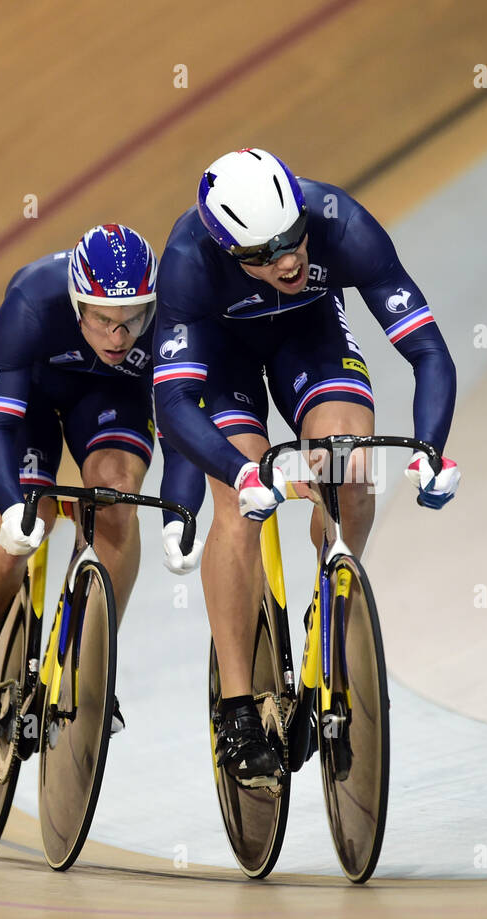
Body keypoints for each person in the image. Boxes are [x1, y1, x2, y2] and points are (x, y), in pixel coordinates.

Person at [152, 148, 460, 786]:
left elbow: (428, 351)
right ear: (227, 249)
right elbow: (173, 401)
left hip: (309, 339)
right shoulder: (185, 260)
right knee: (239, 496)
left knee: (349, 467)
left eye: (291, 240)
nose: (287, 260)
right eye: (262, 254)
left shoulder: (341, 222)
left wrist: (431, 448)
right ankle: (237, 708)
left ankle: (332, 616)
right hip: (224, 356)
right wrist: (241, 475)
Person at [0, 223, 204, 742]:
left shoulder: (173, 312)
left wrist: (177, 517)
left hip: (110, 400)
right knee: (28, 523)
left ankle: (94, 661)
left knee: (116, 499)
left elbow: (180, 426)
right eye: (102, 320)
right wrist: (12, 506)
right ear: (78, 304)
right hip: (32, 394)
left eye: (132, 321)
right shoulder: (32, 303)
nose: (117, 337)